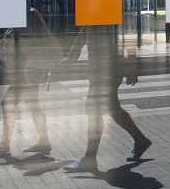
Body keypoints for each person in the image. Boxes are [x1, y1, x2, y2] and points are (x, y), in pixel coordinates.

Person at [60, 18, 150, 172]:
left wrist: (131, 66)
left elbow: (127, 36)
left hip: (110, 69)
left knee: (93, 113)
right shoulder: (96, 9)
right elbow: (84, 33)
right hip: (97, 70)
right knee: (113, 109)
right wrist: (70, 57)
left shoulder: (113, 4)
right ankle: (140, 140)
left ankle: (90, 159)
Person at [0, 5, 57, 158]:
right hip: (25, 69)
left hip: (29, 69)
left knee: (7, 103)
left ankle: (5, 145)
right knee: (33, 105)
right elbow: (6, 39)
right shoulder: (17, 15)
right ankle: (44, 141)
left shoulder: (31, 14)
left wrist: (23, 54)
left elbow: (41, 40)